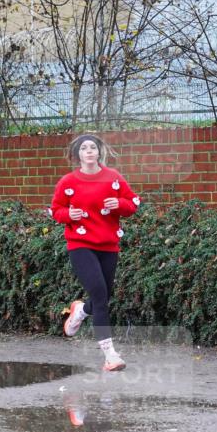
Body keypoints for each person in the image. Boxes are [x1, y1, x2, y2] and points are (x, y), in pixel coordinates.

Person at [49, 134, 140, 371]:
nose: (89, 151)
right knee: (100, 295)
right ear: (78, 154)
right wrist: (69, 215)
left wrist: (118, 205)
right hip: (80, 244)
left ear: (99, 152)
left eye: (93, 147)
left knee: (103, 296)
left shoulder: (114, 178)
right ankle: (110, 355)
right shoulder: (68, 182)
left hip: (108, 244)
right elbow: (56, 210)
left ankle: (80, 311)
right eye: (84, 148)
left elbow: (133, 204)